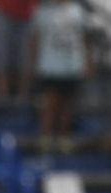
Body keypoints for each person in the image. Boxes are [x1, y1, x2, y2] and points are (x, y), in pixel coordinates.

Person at [29, 0, 92, 146]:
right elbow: (36, 40)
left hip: (72, 66)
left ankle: (65, 137)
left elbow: (85, 40)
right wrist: (34, 64)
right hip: (50, 66)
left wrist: (88, 62)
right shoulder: (43, 12)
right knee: (50, 104)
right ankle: (45, 138)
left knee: (68, 106)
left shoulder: (78, 12)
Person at [0, 0, 38, 98]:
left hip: (28, 13)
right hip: (3, 10)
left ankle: (22, 99)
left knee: (25, 59)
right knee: (2, 58)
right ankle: (2, 97)